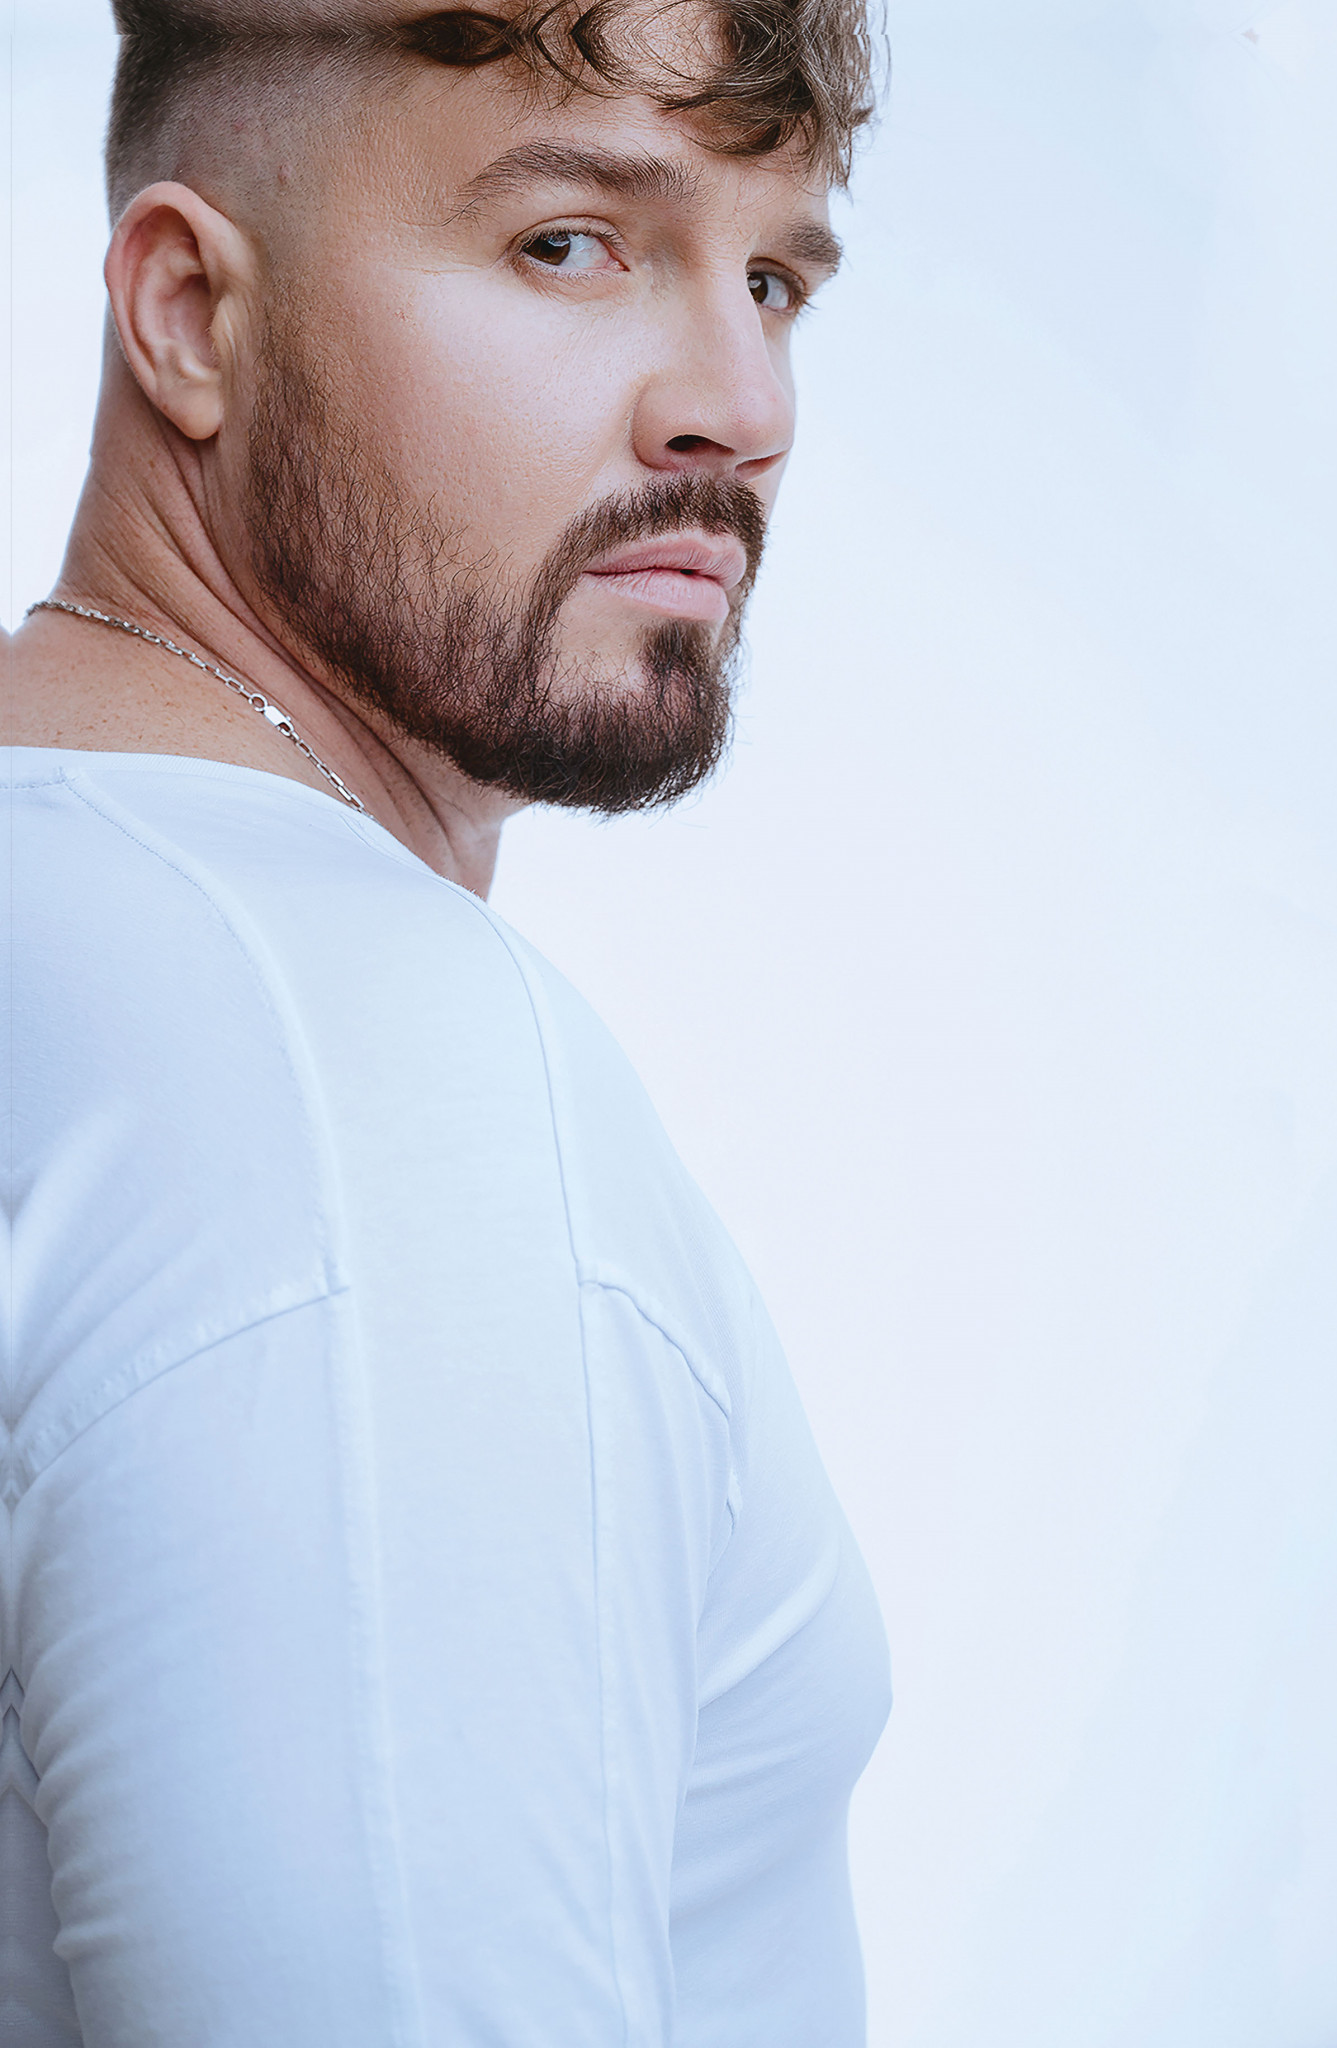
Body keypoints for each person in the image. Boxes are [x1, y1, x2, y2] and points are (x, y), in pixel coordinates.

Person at [1, 3, 890, 2042]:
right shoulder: (367, 1099)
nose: (738, 405)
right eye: (570, 244)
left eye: (773, 277)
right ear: (190, 313)